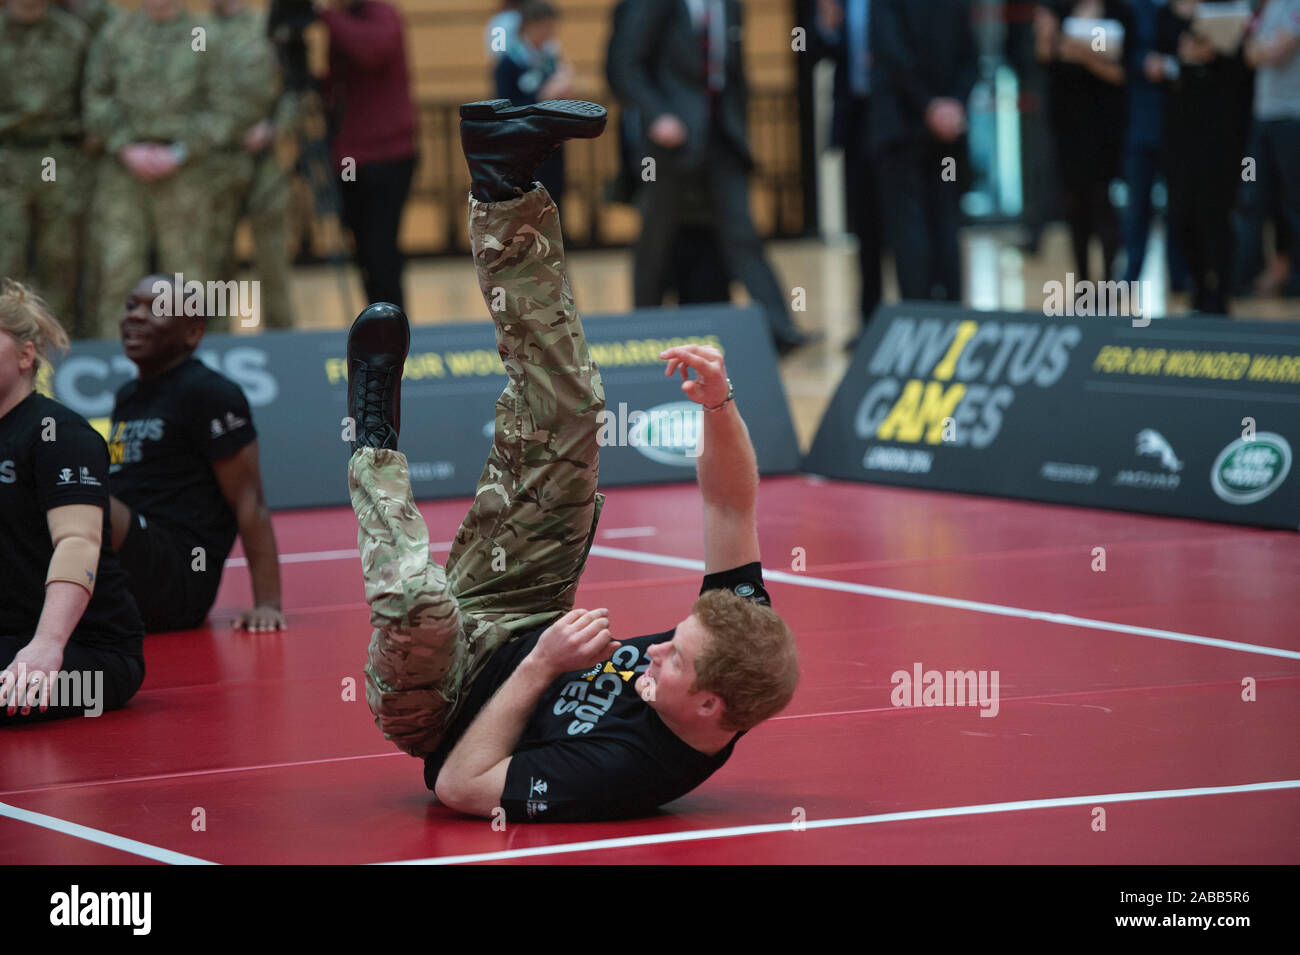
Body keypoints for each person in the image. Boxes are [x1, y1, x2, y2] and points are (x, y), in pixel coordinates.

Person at [344, 99, 800, 821]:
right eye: (672, 640)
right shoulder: (740, 631)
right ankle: (503, 184)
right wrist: (720, 404)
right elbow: (728, 505)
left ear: (710, 705)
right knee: (572, 414)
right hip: (521, 607)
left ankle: (370, 440)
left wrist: (544, 663)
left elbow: (460, 785)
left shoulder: (630, 769)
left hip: (444, 700)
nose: (651, 651)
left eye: (672, 660)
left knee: (420, 606)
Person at [607, 0, 813, 356]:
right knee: (656, 237)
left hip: (722, 137)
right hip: (669, 142)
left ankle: (780, 329)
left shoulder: (730, 6)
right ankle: (642, 329)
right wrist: (658, 115)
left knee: (743, 233)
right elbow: (623, 66)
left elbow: (732, 70)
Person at [105, 274, 285, 633]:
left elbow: (250, 501)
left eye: (155, 308)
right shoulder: (127, 396)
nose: (135, 316)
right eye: (131, 306)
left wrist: (268, 604)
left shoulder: (210, 394)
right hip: (124, 570)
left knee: (80, 497)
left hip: (180, 578)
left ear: (193, 333)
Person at [0, 280, 145, 723]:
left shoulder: (58, 434)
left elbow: (78, 542)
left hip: (86, 654)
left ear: (26, 357)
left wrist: (46, 646)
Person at [83, 0, 233, 339]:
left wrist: (180, 151)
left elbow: (224, 105)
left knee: (189, 278)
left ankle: (190, 365)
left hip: (185, 171)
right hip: (125, 169)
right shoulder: (115, 34)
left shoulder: (206, 35)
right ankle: (116, 365)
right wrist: (125, 146)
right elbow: (95, 97)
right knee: (118, 271)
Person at [870, 0, 977, 302]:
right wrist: (952, 104)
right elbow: (971, 58)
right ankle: (951, 312)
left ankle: (919, 314)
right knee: (945, 220)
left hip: (902, 128)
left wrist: (930, 106)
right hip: (946, 131)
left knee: (911, 229)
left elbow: (893, 55)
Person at [1151, 0, 1252, 314]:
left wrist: (1213, 53)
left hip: (1221, 132)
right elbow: (1150, 61)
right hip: (1180, 131)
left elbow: (1243, 64)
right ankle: (1198, 285)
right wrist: (1178, 61)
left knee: (1217, 214)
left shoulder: (1229, 10)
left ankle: (1221, 293)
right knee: (1181, 214)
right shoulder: (1164, 16)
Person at [319, 0, 417, 312]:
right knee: (363, 250)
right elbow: (339, 85)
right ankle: (374, 321)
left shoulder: (382, 14)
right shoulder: (343, 21)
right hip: (350, 156)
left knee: (380, 250)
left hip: (388, 157)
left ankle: (391, 325)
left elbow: (371, 51)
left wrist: (324, 16)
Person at [0, 0, 92, 334]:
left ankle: (55, 355)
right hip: (6, 158)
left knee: (61, 263)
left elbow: (91, 96)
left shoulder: (73, 35)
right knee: (5, 263)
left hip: (56, 159)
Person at [204, 0, 297, 331]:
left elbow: (293, 88)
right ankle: (215, 341)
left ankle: (282, 337)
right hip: (212, 160)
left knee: (272, 255)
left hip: (263, 160)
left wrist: (274, 129)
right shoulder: (196, 32)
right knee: (215, 259)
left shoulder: (267, 27)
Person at [1036, 0, 1129, 287]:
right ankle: (1083, 284)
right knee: (1074, 205)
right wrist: (1047, 36)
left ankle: (1109, 282)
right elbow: (1046, 57)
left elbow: (1121, 70)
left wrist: (1082, 54)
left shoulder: (1118, 11)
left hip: (1104, 124)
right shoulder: (1057, 9)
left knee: (1102, 201)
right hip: (1067, 124)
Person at [813, 0, 884, 350]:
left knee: (904, 230)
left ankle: (911, 319)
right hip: (856, 122)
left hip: (898, 120)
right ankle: (870, 320)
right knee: (865, 228)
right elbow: (818, 52)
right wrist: (827, 25)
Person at [1233, 0, 1300, 299]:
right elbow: (1246, 55)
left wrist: (1260, 50)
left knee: (1293, 202)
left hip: (1291, 120)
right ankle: (1246, 273)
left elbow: (1276, 52)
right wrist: (1261, 50)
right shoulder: (1263, 9)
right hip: (1260, 121)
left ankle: (1294, 276)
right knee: (1251, 193)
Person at [494, 1, 575, 217]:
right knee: (528, 204)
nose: (551, 34)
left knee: (555, 198)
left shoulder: (550, 59)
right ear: (531, 27)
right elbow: (504, 106)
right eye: (546, 27)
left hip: (552, 141)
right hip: (523, 145)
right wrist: (542, 96)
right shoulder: (509, 61)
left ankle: (556, 247)